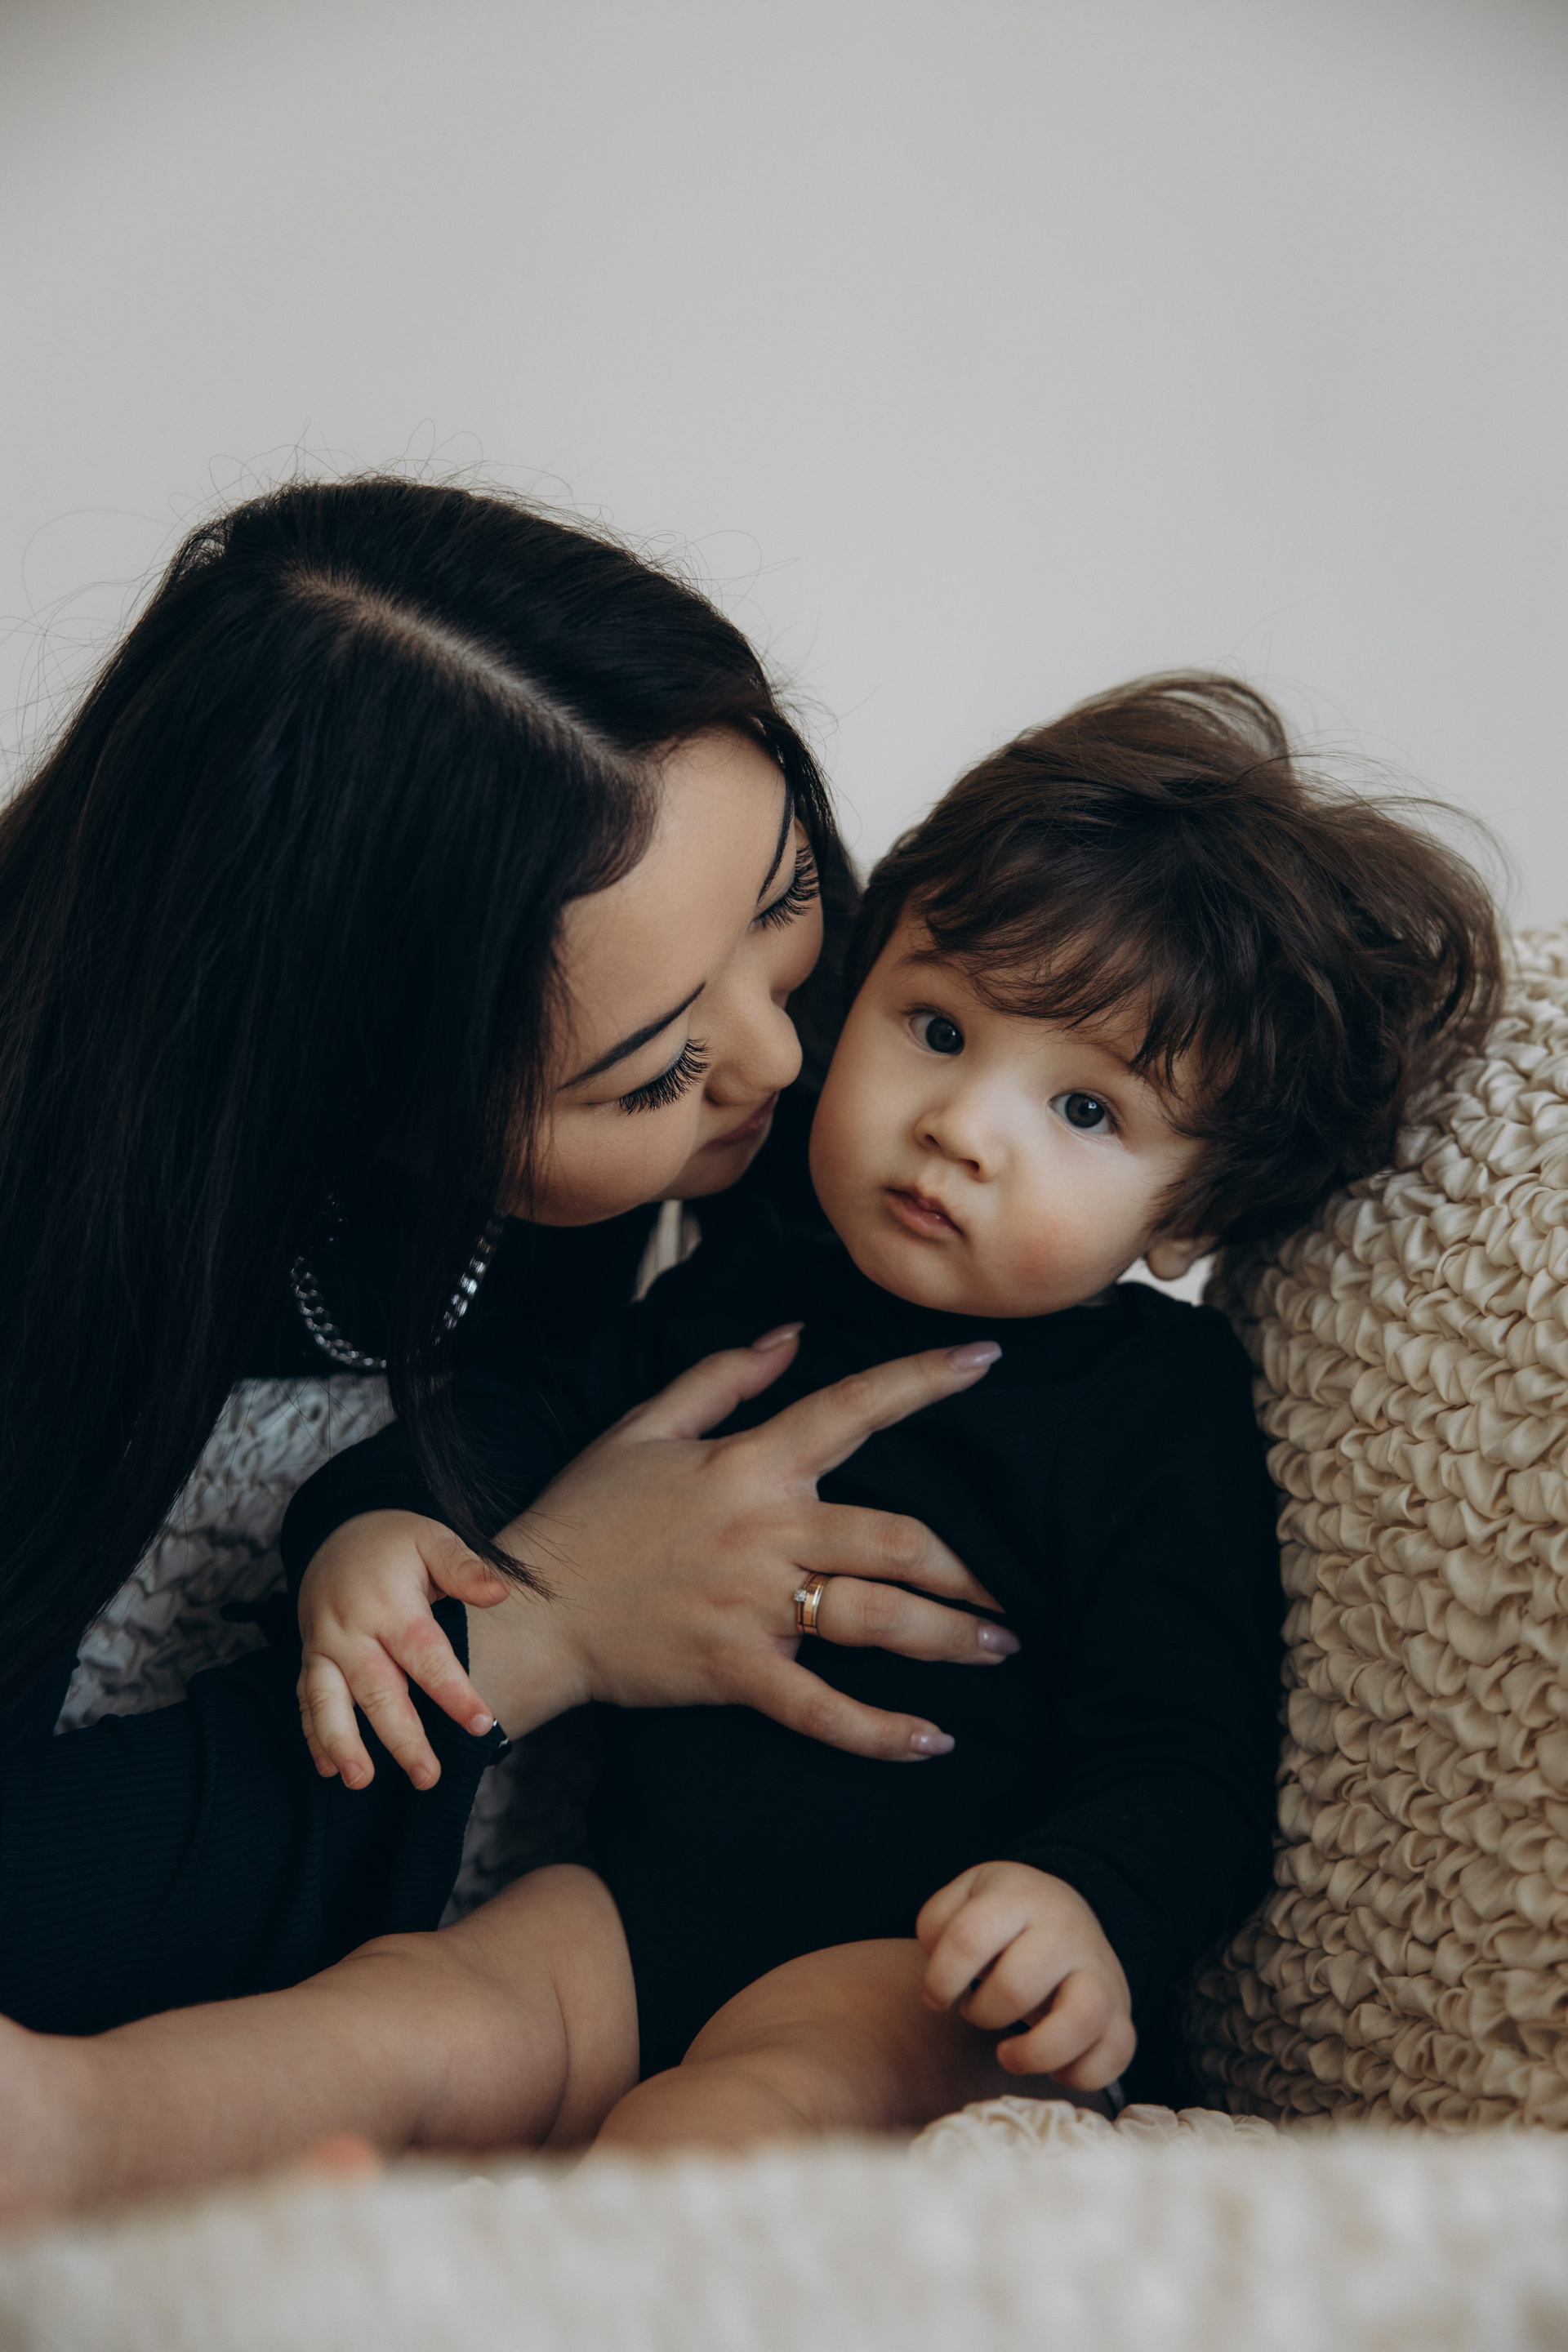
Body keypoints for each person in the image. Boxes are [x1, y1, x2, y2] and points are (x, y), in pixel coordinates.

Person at [276, 672, 1503, 2151]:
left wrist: (1088, 1907)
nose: (961, 1128)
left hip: (920, 1969)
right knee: (398, 2015)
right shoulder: (751, 1283)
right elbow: (522, 1423)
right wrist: (372, 1525)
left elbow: (1191, 1755)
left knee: (728, 2119)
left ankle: (548, 2257)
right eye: (936, 1026)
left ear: (1193, 1215)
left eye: (1087, 1110)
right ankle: (81, 2122)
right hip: (631, 1906)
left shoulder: (1155, 1407)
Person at [0, 475, 1013, 2219]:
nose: (781, 1058)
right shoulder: (63, 1230)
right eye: (655, 1070)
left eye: (781, 899)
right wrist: (539, 1629)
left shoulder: (816, 1096)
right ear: (342, 1078)